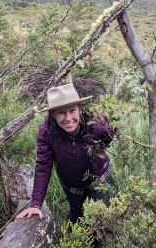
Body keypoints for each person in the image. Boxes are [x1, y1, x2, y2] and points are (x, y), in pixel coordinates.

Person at [16, 83, 115, 222]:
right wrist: (36, 203)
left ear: (80, 109)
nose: (68, 118)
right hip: (71, 185)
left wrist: (98, 150)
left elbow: (108, 137)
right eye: (61, 112)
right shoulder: (47, 132)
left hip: (98, 179)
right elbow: (43, 166)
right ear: (53, 114)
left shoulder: (96, 124)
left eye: (72, 110)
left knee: (100, 219)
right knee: (77, 216)